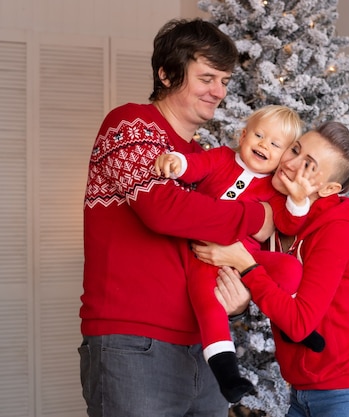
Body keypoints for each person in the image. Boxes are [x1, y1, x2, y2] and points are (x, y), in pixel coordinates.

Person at [79, 18, 275, 417]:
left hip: (205, 346)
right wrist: (258, 216)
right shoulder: (130, 125)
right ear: (167, 74)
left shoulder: (203, 157)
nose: (218, 91)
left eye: (224, 80)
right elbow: (165, 211)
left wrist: (238, 296)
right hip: (133, 344)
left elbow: (216, 242)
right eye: (207, 77)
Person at [192, 121, 349, 417]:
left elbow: (299, 322)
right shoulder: (280, 213)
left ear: (330, 188)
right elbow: (275, 288)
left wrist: (244, 263)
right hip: (302, 391)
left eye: (308, 165)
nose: (289, 163)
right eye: (295, 149)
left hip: (343, 394)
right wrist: (241, 300)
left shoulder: (334, 230)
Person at [154, 105, 326, 402]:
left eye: (275, 144)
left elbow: (287, 222)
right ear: (243, 135)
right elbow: (195, 166)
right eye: (258, 135)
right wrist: (177, 162)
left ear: (283, 156)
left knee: (289, 269)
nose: (263, 145)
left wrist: (298, 200)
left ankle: (293, 328)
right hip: (204, 256)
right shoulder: (221, 157)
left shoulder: (274, 188)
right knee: (210, 303)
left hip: (246, 260)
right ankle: (227, 374)